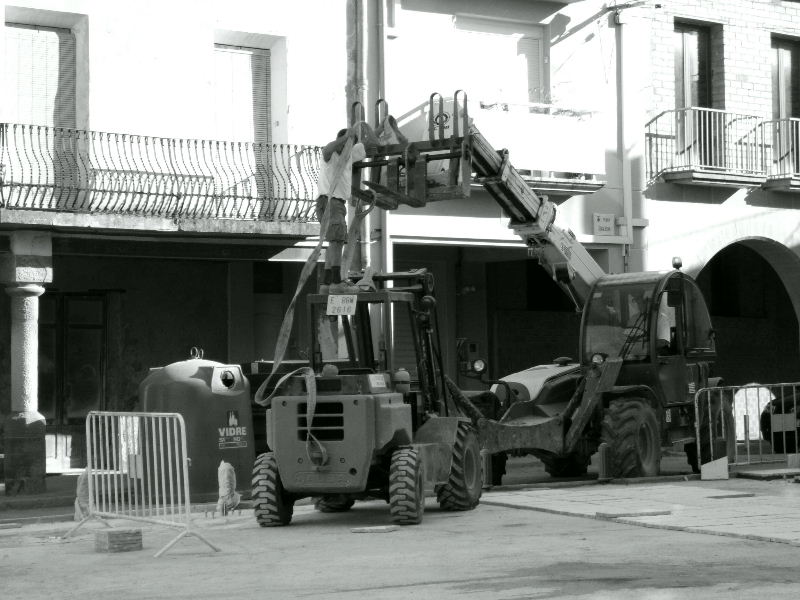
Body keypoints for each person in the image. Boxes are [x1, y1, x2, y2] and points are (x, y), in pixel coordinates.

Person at [316, 126, 367, 293]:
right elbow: (327, 149)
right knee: (337, 241)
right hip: (331, 202)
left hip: (333, 203)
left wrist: (381, 128)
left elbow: (370, 143)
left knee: (334, 242)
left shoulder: (349, 156)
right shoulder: (331, 156)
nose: (348, 148)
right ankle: (336, 283)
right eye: (346, 144)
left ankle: (326, 284)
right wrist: (346, 137)